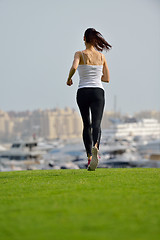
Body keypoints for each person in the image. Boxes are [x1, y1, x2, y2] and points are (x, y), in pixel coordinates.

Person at [66, 28, 112, 171]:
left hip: (83, 91)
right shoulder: (101, 57)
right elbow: (107, 79)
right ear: (95, 40)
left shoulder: (79, 54)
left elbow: (74, 66)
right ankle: (96, 147)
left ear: (84, 39)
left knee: (86, 124)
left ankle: (89, 158)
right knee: (97, 123)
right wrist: (96, 76)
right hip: (98, 91)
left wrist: (69, 78)